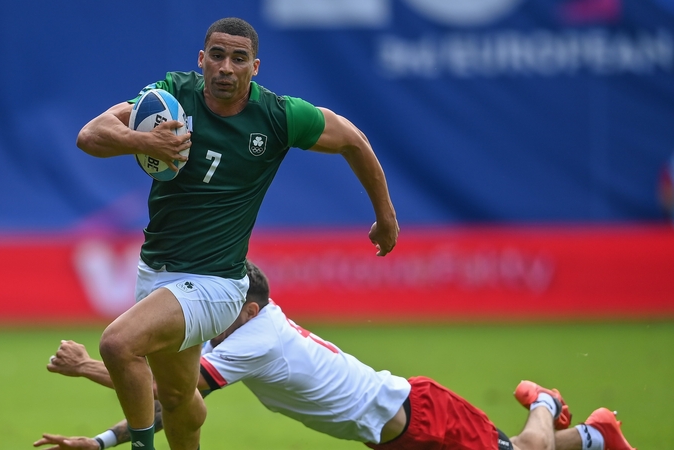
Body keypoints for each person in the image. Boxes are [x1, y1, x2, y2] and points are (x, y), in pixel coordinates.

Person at [75, 16, 399, 450]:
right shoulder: (172, 94)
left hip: (218, 285)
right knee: (177, 400)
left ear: (255, 67)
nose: (226, 67)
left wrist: (386, 216)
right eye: (218, 55)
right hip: (156, 272)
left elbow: (351, 140)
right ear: (202, 59)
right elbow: (90, 135)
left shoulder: (279, 116)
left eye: (239, 58)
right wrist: (144, 142)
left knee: (117, 344)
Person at [35, 262, 635, 450]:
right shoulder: (249, 336)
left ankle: (545, 401)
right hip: (394, 430)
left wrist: (91, 365)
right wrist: (103, 442)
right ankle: (596, 436)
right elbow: (174, 404)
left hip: (413, 416)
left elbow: (173, 395)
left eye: (223, 304)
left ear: (247, 306)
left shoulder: (255, 337)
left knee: (526, 449)